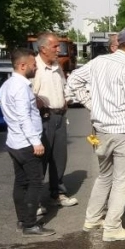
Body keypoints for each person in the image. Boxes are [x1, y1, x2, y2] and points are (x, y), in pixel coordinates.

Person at [71, 27, 125, 241]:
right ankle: (112, 228)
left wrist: (92, 105)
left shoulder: (99, 62)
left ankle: (92, 219)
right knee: (121, 182)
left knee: (104, 177)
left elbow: (73, 81)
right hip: (123, 133)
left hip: (101, 131)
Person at [0, 49, 55, 237]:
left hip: (14, 142)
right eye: (33, 64)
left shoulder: (7, 85)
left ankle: (22, 219)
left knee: (21, 182)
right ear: (22, 66)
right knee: (35, 183)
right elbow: (24, 117)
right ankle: (30, 225)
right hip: (26, 143)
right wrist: (36, 142)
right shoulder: (21, 88)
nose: (36, 66)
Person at [33, 32, 78, 208]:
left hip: (59, 116)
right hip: (43, 118)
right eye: (55, 46)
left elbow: (64, 87)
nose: (58, 50)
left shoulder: (57, 66)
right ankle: (35, 199)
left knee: (59, 157)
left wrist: (66, 99)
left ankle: (57, 192)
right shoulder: (34, 66)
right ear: (43, 49)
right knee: (40, 160)